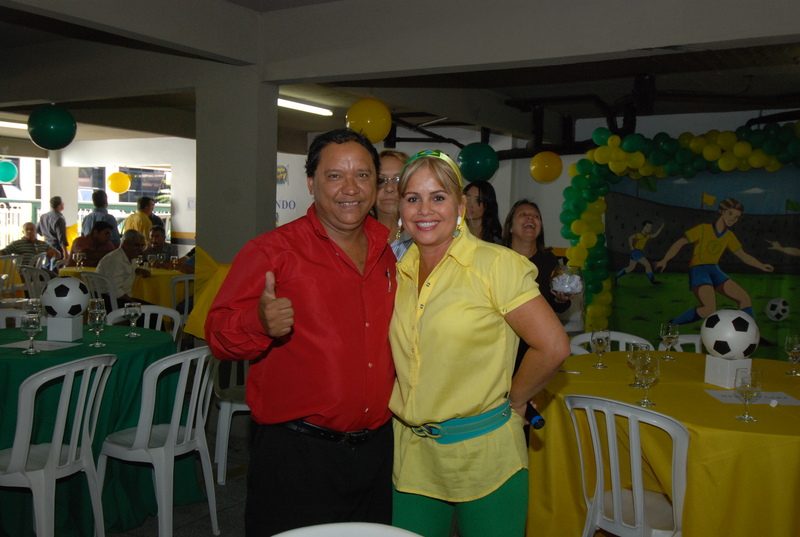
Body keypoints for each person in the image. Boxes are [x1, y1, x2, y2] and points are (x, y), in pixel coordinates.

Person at [205, 129, 397, 537]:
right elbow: (218, 335)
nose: (350, 188)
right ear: (311, 182)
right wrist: (258, 323)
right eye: (335, 176)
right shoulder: (272, 251)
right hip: (298, 457)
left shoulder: (388, 253)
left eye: (363, 175)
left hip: (378, 452)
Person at [390, 150, 570, 537]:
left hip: (486, 457)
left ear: (460, 207)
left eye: (438, 197)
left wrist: (517, 399)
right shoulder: (396, 272)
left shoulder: (496, 265)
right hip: (412, 457)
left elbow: (553, 346)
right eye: (413, 198)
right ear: (401, 208)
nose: (425, 209)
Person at [654, 198, 774, 325]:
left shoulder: (729, 236)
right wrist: (664, 260)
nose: (733, 219)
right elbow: (681, 242)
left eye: (737, 217)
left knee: (745, 298)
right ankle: (672, 324)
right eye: (730, 214)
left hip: (714, 270)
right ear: (722, 212)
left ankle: (751, 331)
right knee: (709, 309)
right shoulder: (703, 229)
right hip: (699, 270)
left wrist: (761, 265)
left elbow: (743, 256)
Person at [502, 199, 574, 372]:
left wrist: (561, 299)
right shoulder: (498, 257)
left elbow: (555, 305)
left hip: (535, 346)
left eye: (536, 216)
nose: (530, 218)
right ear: (510, 227)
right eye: (523, 215)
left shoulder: (548, 260)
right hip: (501, 342)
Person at [96, 229, 150, 309]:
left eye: (142, 246)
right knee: (153, 312)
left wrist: (137, 270)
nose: (140, 249)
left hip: (116, 298)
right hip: (108, 301)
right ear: (125, 243)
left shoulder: (130, 257)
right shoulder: (116, 259)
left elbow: (128, 269)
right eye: (137, 245)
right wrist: (134, 302)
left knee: (152, 310)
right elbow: (115, 290)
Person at [373, 149, 413, 259]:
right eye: (381, 180)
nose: (389, 188)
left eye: (398, 180)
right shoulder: (355, 235)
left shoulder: (424, 237)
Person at [615, 220, 664, 284]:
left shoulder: (647, 236)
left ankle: (616, 277)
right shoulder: (639, 235)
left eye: (650, 227)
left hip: (636, 253)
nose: (649, 228)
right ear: (643, 227)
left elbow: (655, 235)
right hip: (636, 252)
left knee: (631, 267)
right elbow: (630, 238)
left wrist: (661, 228)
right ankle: (653, 281)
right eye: (647, 226)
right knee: (647, 265)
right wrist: (631, 246)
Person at [36, 195, 69, 269]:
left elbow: (37, 229)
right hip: (56, 247)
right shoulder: (59, 219)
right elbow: (61, 237)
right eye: (62, 203)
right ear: (59, 206)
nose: (63, 204)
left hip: (46, 245)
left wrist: (45, 234)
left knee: (47, 267)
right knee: (56, 268)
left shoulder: (44, 216)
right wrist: (65, 252)